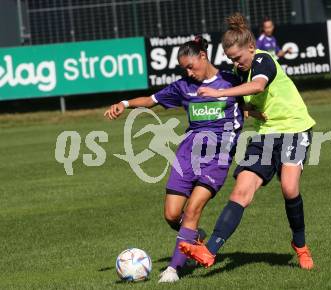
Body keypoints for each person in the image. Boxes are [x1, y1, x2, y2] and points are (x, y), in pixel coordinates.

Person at [104, 36, 262, 282]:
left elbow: (251, 100)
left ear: (203, 56)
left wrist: (263, 115)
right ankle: (192, 236)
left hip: (218, 156)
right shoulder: (183, 87)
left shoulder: (231, 80)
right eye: (184, 68)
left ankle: (173, 270)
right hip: (188, 153)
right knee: (171, 214)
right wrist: (124, 103)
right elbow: (151, 101)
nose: (189, 72)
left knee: (192, 209)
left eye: (191, 66)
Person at [180, 13, 316, 270]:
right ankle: (209, 251)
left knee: (289, 187)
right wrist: (248, 111)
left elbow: (258, 87)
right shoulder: (237, 72)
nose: (236, 63)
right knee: (241, 190)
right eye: (231, 59)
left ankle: (301, 246)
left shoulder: (263, 59)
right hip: (265, 133)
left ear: (251, 48)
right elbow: (242, 102)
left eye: (239, 58)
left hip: (295, 129)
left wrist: (219, 92)